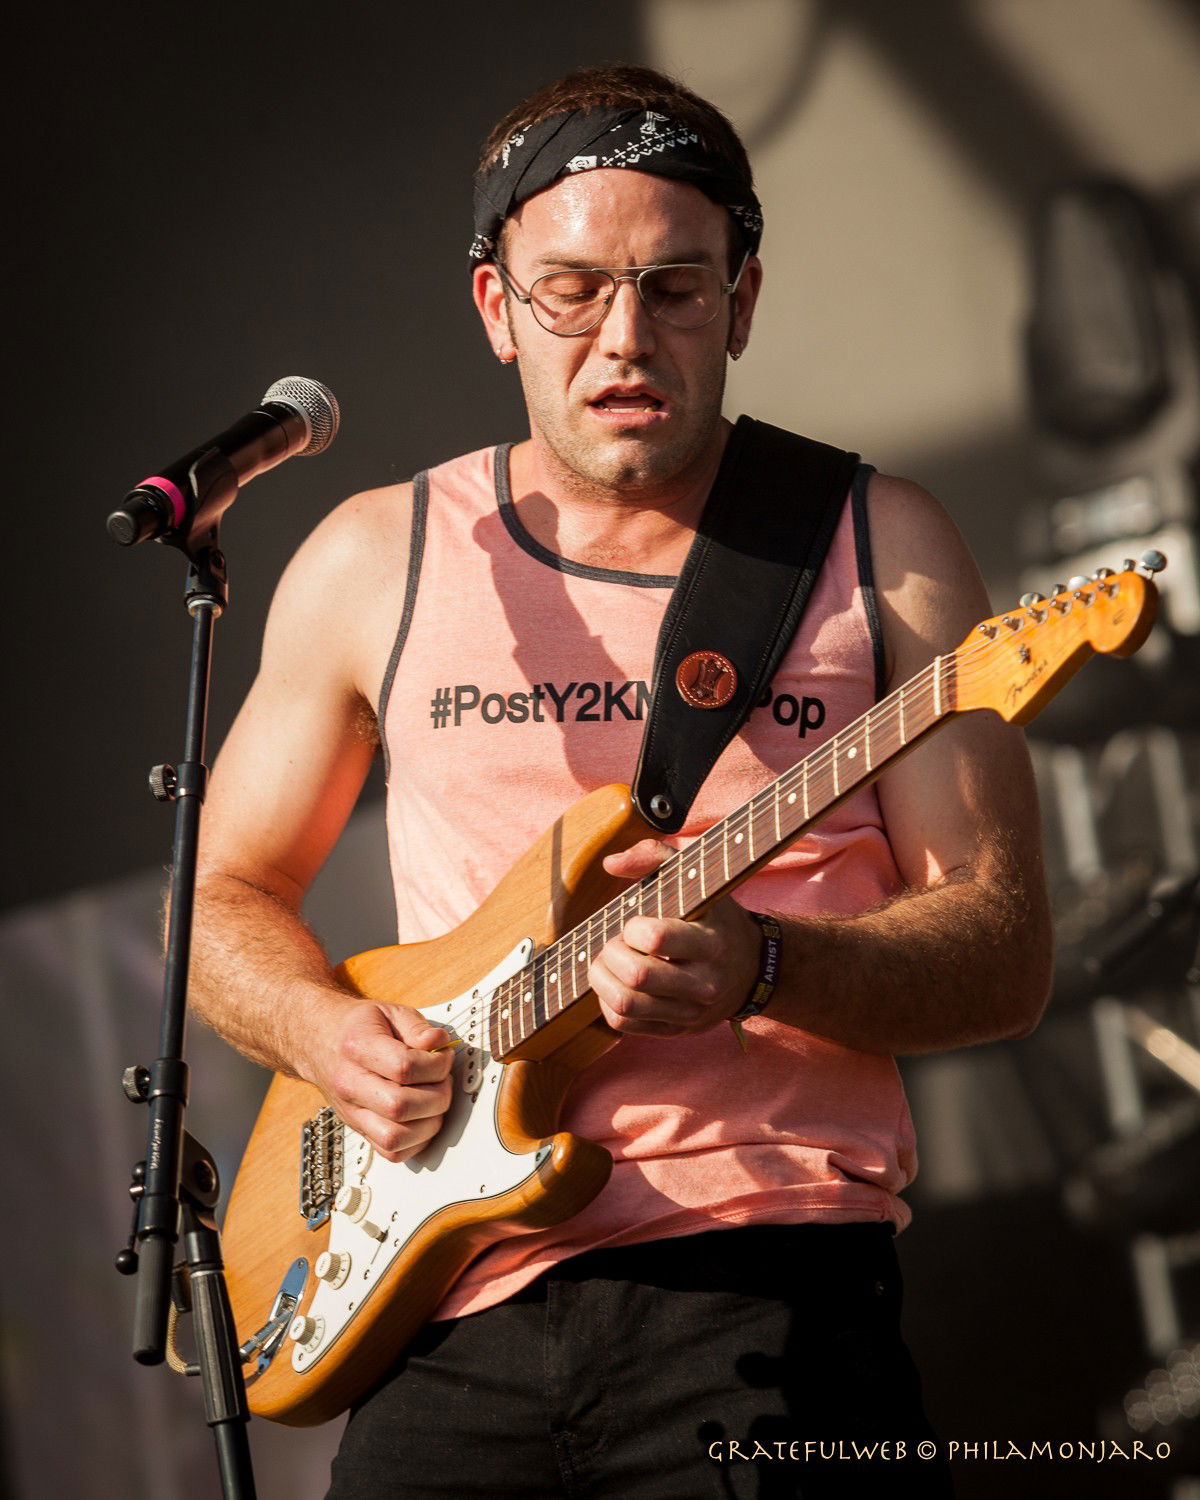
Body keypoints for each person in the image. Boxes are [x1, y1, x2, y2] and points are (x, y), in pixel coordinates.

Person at [191, 64, 1052, 1499]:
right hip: (435, 1300)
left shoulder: (878, 544)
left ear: (743, 301)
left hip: (765, 1282)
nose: (625, 338)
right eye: (572, 291)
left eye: (676, 290)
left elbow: (1004, 953)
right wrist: (321, 1032)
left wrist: (762, 963)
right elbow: (220, 894)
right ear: (496, 308)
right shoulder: (375, 557)